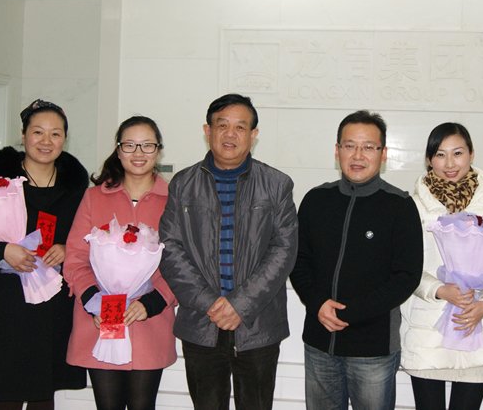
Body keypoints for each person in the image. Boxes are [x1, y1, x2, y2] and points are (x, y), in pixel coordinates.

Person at [159, 93, 298, 410]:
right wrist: (210, 303)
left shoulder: (277, 185)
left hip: (257, 324)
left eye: (240, 127)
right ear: (207, 131)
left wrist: (239, 304)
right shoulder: (182, 184)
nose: (230, 134)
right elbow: (170, 248)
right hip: (201, 321)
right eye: (222, 125)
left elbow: (284, 249)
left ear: (253, 134)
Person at [0, 99, 88, 410]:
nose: (46, 141)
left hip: (54, 302)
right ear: (23, 135)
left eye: (55, 134)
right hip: (9, 302)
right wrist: (3, 251)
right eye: (38, 132)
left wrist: (68, 249)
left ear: (65, 139)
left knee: (45, 389)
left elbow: (89, 239)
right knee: (9, 390)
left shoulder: (76, 188)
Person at [289, 110, 423, 410]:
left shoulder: (399, 206)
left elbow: (406, 276)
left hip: (373, 349)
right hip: (319, 343)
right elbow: (298, 261)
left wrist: (351, 313)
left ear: (383, 154)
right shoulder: (316, 200)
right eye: (349, 146)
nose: (358, 155)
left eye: (368, 147)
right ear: (337, 151)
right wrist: (318, 303)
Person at [64, 116, 177, 410]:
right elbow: (75, 257)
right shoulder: (93, 198)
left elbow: (182, 263)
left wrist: (154, 301)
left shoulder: (174, 200)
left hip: (149, 318)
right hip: (100, 318)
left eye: (147, 145)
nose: (138, 153)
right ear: (118, 149)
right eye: (129, 145)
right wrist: (94, 301)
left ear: (158, 150)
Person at [399, 122, 483, 410]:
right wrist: (439, 290)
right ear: (429, 160)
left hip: (479, 326)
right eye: (440, 154)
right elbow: (404, 265)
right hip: (428, 329)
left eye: (457, 153)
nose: (449, 163)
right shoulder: (413, 204)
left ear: (472, 154)